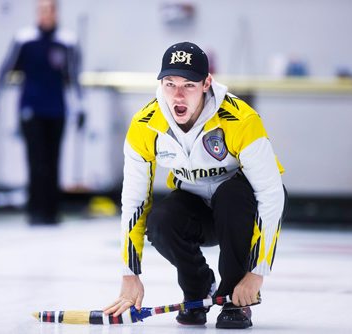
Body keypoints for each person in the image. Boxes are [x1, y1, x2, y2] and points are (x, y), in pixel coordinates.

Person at [104, 42, 287, 329]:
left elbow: (271, 194)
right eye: (170, 83)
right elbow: (135, 200)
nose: (178, 94)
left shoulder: (240, 120)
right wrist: (130, 273)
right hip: (199, 211)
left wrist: (257, 272)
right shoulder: (145, 125)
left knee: (232, 194)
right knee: (161, 221)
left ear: (206, 84)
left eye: (189, 85)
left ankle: (233, 298)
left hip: (240, 210)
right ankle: (198, 289)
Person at [0, 0, 84, 225]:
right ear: (37, 13)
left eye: (50, 10)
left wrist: (80, 107)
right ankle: (35, 210)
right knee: (36, 160)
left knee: (54, 160)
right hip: (31, 108)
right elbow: (6, 68)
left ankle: (52, 211)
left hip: (57, 109)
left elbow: (74, 78)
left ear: (56, 13)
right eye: (42, 10)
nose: (46, 14)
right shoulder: (24, 39)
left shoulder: (67, 41)